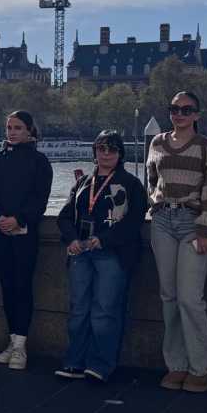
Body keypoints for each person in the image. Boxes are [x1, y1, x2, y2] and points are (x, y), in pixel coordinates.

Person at [147, 90, 207, 393]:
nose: (179, 114)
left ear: (197, 114)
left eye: (186, 109)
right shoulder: (157, 143)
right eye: (174, 109)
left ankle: (201, 368)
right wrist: (155, 205)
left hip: (193, 224)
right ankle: (177, 365)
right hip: (162, 221)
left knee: (190, 298)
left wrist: (206, 228)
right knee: (168, 296)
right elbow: (152, 180)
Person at [56, 130, 147, 381]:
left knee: (105, 310)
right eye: (101, 148)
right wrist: (72, 239)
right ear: (94, 152)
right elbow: (64, 216)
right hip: (81, 252)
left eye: (112, 149)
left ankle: (100, 365)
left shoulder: (132, 184)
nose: (106, 154)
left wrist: (104, 239)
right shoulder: (83, 182)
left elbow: (134, 221)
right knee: (78, 309)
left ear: (121, 154)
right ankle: (74, 361)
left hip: (112, 254)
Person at [0, 110, 53, 370]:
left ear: (29, 131)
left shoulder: (40, 162)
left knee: (23, 287)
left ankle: (21, 346)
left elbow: (39, 200)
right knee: (7, 286)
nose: (12, 132)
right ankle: (12, 340)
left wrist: (18, 219)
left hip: (25, 234)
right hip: (2, 232)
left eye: (18, 128)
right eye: (9, 128)